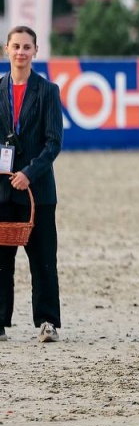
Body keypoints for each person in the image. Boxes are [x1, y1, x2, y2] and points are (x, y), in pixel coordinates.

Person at [0, 26, 64, 343]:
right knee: (0, 260)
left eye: (27, 47)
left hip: (38, 191)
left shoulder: (48, 91)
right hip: (2, 190)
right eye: (16, 46)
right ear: (6, 50)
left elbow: (53, 143)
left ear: (36, 51)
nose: (21, 52)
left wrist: (29, 172)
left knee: (43, 259)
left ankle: (48, 321)